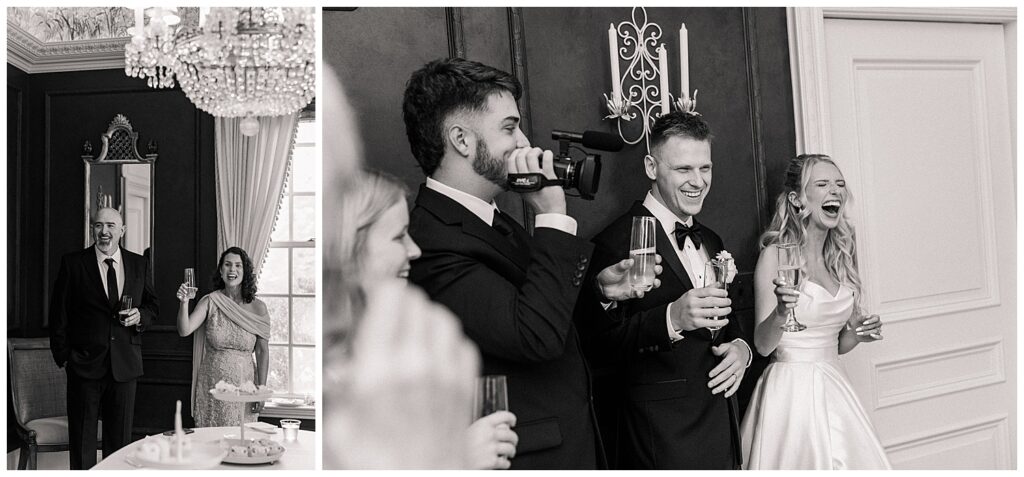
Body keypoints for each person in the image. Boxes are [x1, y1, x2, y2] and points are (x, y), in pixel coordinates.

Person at [402, 57, 646, 470]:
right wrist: (552, 215)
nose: (524, 142)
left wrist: (600, 292)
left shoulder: (494, 219)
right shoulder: (429, 241)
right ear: (461, 139)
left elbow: (543, 311)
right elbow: (534, 336)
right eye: (509, 127)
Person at [580, 111, 752, 469]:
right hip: (659, 440)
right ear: (651, 166)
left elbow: (729, 317)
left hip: (721, 430)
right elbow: (597, 349)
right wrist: (671, 319)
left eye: (705, 168)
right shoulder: (613, 243)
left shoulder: (712, 239)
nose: (698, 181)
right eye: (683, 169)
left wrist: (741, 347)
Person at [326, 168, 519, 469]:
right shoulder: (336, 371)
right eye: (398, 236)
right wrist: (461, 458)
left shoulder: (387, 346)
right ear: (352, 247)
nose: (414, 250)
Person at [740, 154, 890, 469]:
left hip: (835, 386)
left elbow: (837, 344)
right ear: (797, 199)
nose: (835, 191)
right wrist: (782, 312)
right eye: (822, 184)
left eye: (839, 184)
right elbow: (763, 346)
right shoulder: (775, 257)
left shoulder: (841, 256)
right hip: (791, 393)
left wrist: (858, 333)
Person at [49, 207, 159, 469]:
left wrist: (140, 316)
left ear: (122, 231)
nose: (104, 231)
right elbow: (58, 315)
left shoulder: (139, 264)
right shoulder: (73, 263)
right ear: (92, 230)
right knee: (82, 445)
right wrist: (65, 357)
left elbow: (153, 307)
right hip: (83, 366)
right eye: (98, 225)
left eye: (111, 225)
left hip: (125, 365)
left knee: (119, 446)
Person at [176, 247, 271, 427]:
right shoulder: (210, 301)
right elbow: (184, 330)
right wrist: (184, 302)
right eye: (227, 264)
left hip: (244, 388)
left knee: (241, 438)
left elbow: (262, 351)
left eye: (238, 265)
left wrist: (262, 389)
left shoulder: (258, 307)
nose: (232, 269)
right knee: (211, 439)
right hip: (212, 385)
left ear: (245, 271)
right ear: (221, 270)